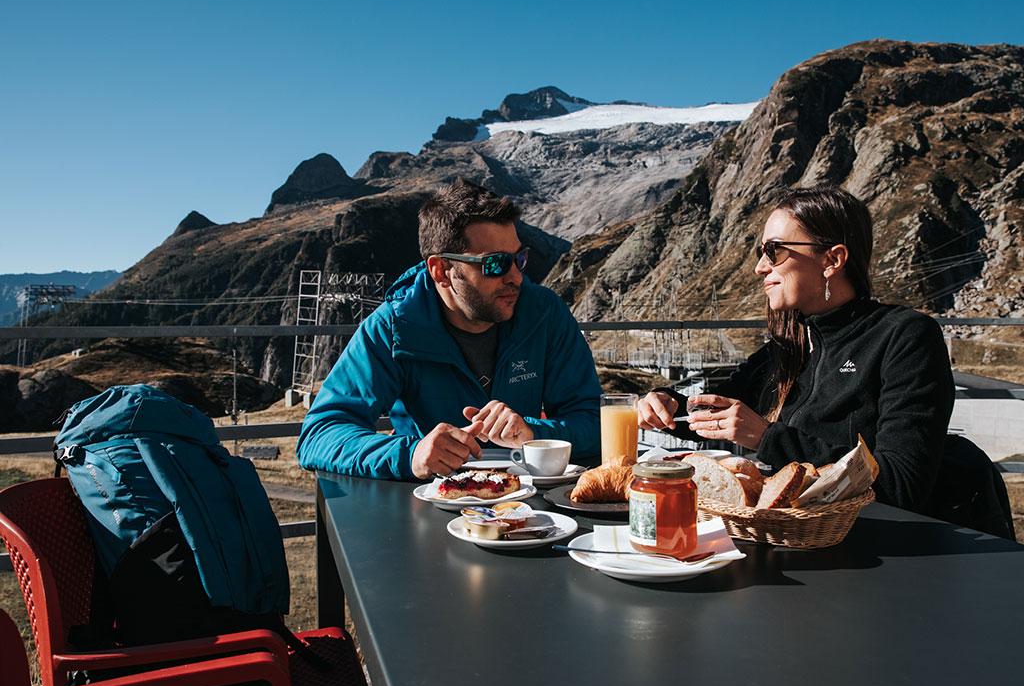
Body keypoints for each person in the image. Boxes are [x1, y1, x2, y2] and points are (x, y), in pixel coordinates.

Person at [638, 184, 955, 513]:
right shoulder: (791, 344)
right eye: (760, 253)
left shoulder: (905, 337)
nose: (760, 267)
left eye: (773, 251)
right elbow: (716, 404)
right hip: (789, 534)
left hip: (870, 542)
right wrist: (668, 403)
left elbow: (902, 484)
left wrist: (768, 439)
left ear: (832, 260)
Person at [297, 178, 601, 480]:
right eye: (495, 264)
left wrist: (533, 432)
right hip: (426, 505)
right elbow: (318, 435)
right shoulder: (394, 327)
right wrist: (412, 454)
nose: (516, 277)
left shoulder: (544, 312)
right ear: (442, 270)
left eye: (519, 259)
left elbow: (594, 421)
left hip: (527, 502)